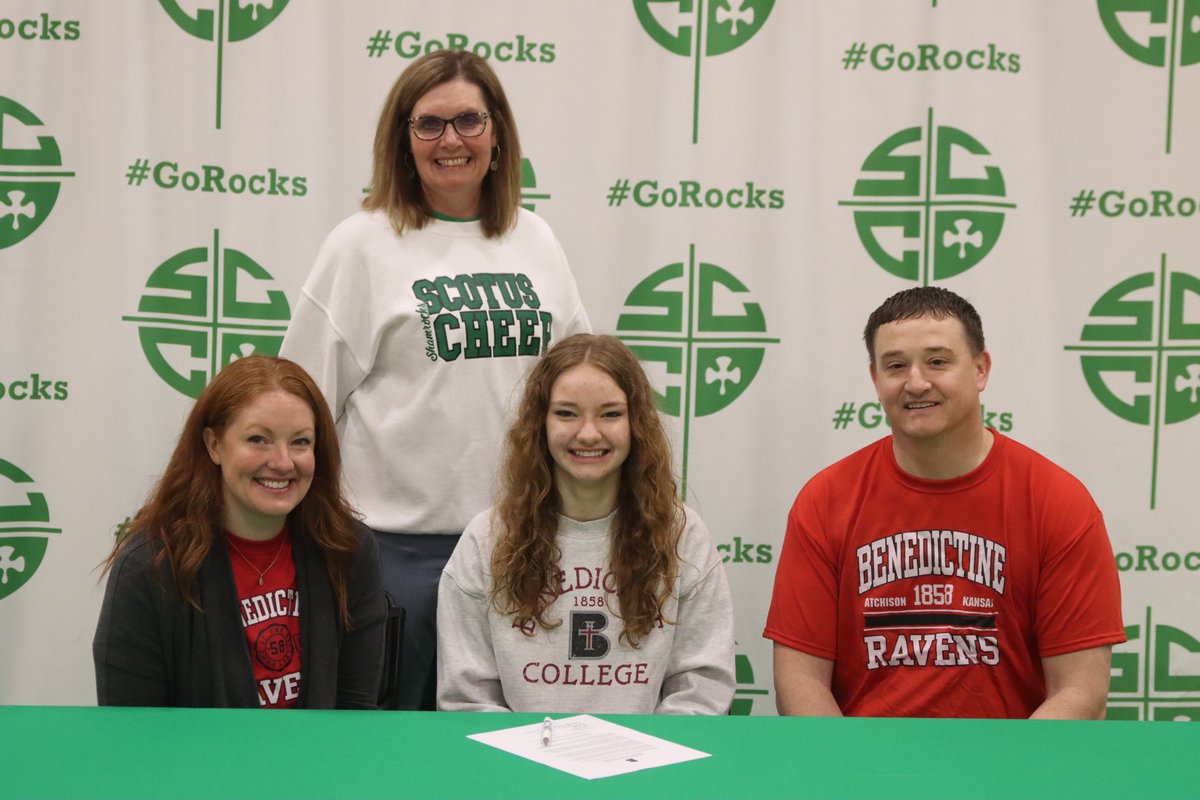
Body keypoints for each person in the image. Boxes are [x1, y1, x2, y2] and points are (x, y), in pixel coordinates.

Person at [280, 50, 590, 710]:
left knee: (511, 750)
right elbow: (296, 407)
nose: (451, 140)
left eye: (469, 121)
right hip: (395, 558)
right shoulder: (360, 244)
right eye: (429, 124)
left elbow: (580, 390)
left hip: (521, 547)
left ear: (497, 132)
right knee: (393, 756)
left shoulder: (536, 240)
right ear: (402, 139)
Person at [764, 287, 1125, 719]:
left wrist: (1006, 782)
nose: (916, 383)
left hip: (1011, 771)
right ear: (876, 379)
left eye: (937, 361)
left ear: (980, 369)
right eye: (896, 366)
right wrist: (854, 778)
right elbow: (800, 681)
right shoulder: (824, 501)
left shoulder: (1058, 502)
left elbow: (1080, 691)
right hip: (865, 772)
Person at [436, 334, 735, 714]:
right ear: (539, 424)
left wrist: (642, 762)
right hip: (520, 768)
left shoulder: (683, 537)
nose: (589, 433)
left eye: (610, 413)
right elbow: (467, 697)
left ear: (636, 424)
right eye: (566, 413)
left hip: (647, 768)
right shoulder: (488, 540)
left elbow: (702, 688)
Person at [93, 356, 384, 708]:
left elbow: (356, 712)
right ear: (214, 445)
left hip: (317, 760)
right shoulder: (148, 566)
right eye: (258, 439)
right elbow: (131, 731)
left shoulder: (349, 549)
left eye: (300, 442)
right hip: (195, 763)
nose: (282, 462)